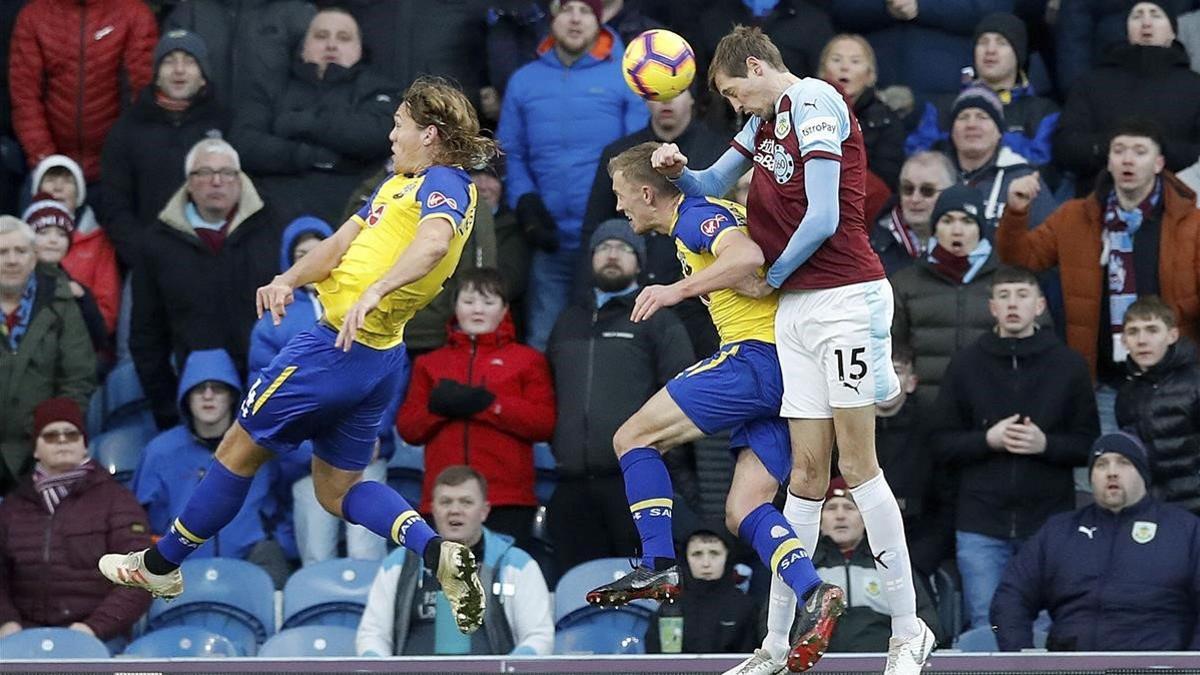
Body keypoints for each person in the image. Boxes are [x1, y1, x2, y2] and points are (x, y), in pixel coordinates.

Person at [98, 77, 497, 638]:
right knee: (336, 493)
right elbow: (338, 245)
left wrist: (377, 291)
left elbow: (433, 243)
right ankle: (438, 554)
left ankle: (159, 567)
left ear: (429, 135)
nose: (390, 133)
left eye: (399, 124)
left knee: (236, 450)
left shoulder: (446, 184)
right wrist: (288, 278)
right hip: (375, 360)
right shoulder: (397, 185)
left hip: (335, 347)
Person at [653, 25, 935, 673]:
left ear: (756, 66)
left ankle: (907, 630)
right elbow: (713, 181)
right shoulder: (763, 121)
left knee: (859, 467)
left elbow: (825, 217)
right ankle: (777, 646)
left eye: (733, 92)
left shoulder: (814, 101)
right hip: (797, 309)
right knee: (805, 478)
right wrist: (678, 170)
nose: (735, 107)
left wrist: (769, 278)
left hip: (845, 297)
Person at [584, 141, 846, 672]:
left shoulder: (693, 213)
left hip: (756, 360)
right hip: (793, 373)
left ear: (646, 193)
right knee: (742, 509)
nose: (618, 208)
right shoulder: (718, 210)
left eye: (620, 196)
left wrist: (675, 291)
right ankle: (814, 591)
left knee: (631, 438)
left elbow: (746, 257)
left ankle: (658, 563)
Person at [998, 118, 1200, 433]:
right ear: (1109, 161)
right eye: (1119, 150)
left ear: (1159, 163)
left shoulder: (1192, 224)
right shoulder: (1074, 216)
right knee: (1109, 475)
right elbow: (1022, 259)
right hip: (1103, 382)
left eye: (1139, 151)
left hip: (1176, 383)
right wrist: (1016, 212)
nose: (1128, 159)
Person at [930, 266, 1098, 631]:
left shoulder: (1068, 366)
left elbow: (1088, 445)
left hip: (1049, 523)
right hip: (980, 524)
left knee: (1045, 630)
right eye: (1004, 296)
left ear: (1039, 305)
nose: (1012, 304)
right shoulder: (965, 364)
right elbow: (940, 442)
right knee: (986, 628)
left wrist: (1046, 445)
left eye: (1022, 295)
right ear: (991, 307)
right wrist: (986, 440)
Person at [544, 220, 695, 573]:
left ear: (640, 263)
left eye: (624, 248)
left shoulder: (658, 320)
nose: (612, 255)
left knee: (643, 589)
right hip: (571, 486)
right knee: (574, 595)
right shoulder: (567, 321)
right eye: (603, 247)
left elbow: (684, 394)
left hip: (634, 483)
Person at [496, 0, 648, 350]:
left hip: (608, 237)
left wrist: (618, 214)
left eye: (585, 10)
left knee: (608, 342)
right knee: (542, 339)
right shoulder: (524, 81)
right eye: (567, 9)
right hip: (547, 239)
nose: (576, 19)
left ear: (599, 20)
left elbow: (638, 151)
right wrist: (525, 202)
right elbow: (511, 153)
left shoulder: (624, 75)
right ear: (553, 18)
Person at [990, 432, 1200, 651]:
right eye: (1101, 465)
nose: (1111, 472)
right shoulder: (1059, 531)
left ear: (1143, 473)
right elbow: (1006, 601)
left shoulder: (1185, 530)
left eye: (1123, 463)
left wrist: (1191, 665)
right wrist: (1020, 660)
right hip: (1071, 667)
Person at [130, 138, 282, 431]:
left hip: (268, 398)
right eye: (205, 173)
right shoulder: (157, 244)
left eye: (226, 173)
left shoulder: (274, 229)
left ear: (239, 181)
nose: (216, 182)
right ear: (189, 183)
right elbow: (146, 337)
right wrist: (170, 409)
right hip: (197, 405)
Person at [397, 267, 555, 545]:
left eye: (489, 302)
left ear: (505, 308)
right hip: (444, 500)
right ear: (455, 307)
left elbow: (543, 423)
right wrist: (439, 410)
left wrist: (490, 405)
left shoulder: (527, 360)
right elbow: (409, 428)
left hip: (507, 497)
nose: (477, 309)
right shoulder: (429, 363)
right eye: (469, 301)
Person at [579, 88, 728, 356]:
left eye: (678, 90)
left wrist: (683, 288)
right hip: (634, 299)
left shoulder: (721, 150)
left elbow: (740, 242)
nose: (666, 99)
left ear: (694, 96)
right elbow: (595, 226)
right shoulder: (618, 155)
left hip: (701, 301)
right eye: (656, 91)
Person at [356, 465, 554, 656]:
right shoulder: (399, 563)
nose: (455, 510)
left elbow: (538, 636)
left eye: (466, 502)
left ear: (484, 511)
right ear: (433, 510)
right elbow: (373, 634)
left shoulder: (517, 565)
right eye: (446, 502)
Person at [0, 397, 152, 642]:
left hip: (99, 639)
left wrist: (92, 629)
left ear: (84, 445)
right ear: (35, 449)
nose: (62, 440)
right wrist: (6, 623)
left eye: (71, 434)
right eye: (50, 435)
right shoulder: (13, 507)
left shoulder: (117, 500)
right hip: (21, 638)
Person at [232, 7, 398, 225]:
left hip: (352, 217)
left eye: (344, 38)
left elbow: (377, 135)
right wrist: (311, 156)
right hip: (273, 216)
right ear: (303, 47)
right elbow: (245, 143)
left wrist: (301, 122)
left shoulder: (378, 88)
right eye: (321, 36)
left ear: (359, 49)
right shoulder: (273, 87)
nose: (331, 44)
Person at [132, 349, 284, 582]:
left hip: (251, 564)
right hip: (178, 569)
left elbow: (285, 504)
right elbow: (139, 516)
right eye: (199, 389)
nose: (208, 395)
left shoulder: (258, 446)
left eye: (218, 388)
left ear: (232, 396)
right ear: (187, 397)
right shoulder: (159, 452)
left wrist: (277, 542)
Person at [100, 29, 232, 268]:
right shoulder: (129, 127)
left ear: (203, 75)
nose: (179, 70)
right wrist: (140, 251)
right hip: (147, 261)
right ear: (156, 75)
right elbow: (113, 200)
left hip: (215, 258)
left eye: (189, 61)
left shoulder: (225, 122)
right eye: (169, 61)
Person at [1054, 2, 1200, 192]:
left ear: (1173, 31)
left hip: (1178, 205)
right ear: (1126, 29)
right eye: (1137, 15)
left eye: (1156, 15)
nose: (1146, 22)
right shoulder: (1092, 83)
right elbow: (1066, 147)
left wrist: (1154, 149)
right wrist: (1115, 148)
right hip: (1099, 202)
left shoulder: (1194, 86)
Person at [8, 0, 158, 182]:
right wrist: (48, 162)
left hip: (117, 165)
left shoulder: (134, 13)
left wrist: (126, 158)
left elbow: (141, 93)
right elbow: (25, 97)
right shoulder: (33, 15)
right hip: (50, 166)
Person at [0, 217, 95, 494]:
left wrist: (49, 436)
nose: (12, 260)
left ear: (34, 259)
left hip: (42, 455)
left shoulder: (61, 303)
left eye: (21, 252)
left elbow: (78, 377)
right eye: (2, 252)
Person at [890, 184, 1006, 402]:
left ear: (981, 229)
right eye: (947, 220)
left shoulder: (1004, 282)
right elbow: (891, 348)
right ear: (935, 228)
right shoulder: (905, 283)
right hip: (924, 408)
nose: (957, 230)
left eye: (967, 221)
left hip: (990, 406)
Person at [906, 13, 1059, 169]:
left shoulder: (1042, 111)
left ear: (1018, 54)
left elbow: (1043, 164)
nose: (990, 50)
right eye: (983, 42)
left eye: (1002, 43)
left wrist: (986, 138)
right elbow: (917, 157)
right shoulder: (942, 107)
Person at [812, 478, 941, 653]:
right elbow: (776, 621)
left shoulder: (891, 564)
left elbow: (926, 621)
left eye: (850, 508)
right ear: (819, 521)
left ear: (865, 520)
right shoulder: (805, 568)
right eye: (831, 508)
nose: (840, 515)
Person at [1115, 296, 1200, 515]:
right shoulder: (1126, 394)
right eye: (1133, 332)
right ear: (1124, 340)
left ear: (1172, 335)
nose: (1142, 340)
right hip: (1153, 512)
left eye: (1152, 330)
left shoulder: (1195, 382)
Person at [162, 0, 315, 108]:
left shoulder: (297, 13)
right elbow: (166, 85)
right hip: (200, 140)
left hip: (270, 140)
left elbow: (310, 91)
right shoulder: (189, 12)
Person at [28, 155, 120, 334]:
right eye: (50, 180)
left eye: (68, 181)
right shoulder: (18, 239)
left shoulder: (99, 241)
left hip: (83, 338)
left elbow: (107, 312)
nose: (58, 187)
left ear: (79, 194)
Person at [944, 86, 1055, 228]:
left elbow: (1049, 237)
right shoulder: (934, 175)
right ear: (952, 132)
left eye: (982, 117)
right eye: (963, 117)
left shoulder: (1023, 177)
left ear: (1000, 133)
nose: (971, 125)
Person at [643, 529, 758, 654]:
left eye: (714, 553)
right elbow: (655, 662)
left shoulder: (745, 608)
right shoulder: (669, 609)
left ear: (727, 556)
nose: (706, 563)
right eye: (697, 554)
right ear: (686, 558)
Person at [22, 196, 109, 354]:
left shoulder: (78, 290)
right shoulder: (13, 282)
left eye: (62, 234)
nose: (53, 240)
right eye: (43, 232)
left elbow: (99, 339)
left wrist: (83, 300)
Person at [817, 34, 904, 190]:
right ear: (822, 71)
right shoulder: (803, 112)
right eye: (836, 60)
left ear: (870, 75)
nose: (845, 67)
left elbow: (886, 179)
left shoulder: (887, 121)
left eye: (855, 61)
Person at [870, 152, 957, 275]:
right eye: (907, 189)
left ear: (951, 194)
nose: (915, 199)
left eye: (927, 191)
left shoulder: (970, 245)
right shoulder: (875, 246)